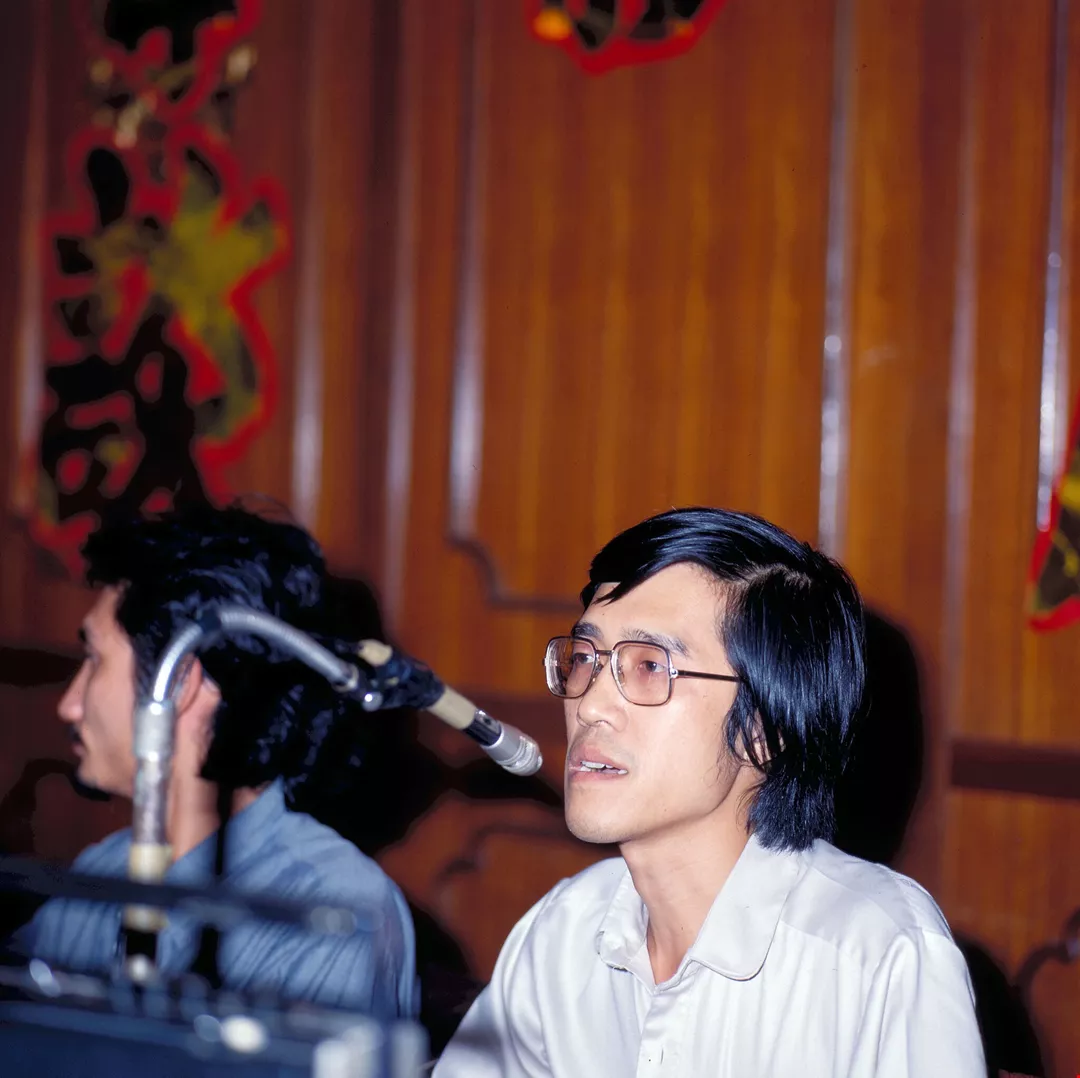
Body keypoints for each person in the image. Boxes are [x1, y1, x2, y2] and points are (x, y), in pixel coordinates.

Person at [434, 507, 986, 1076]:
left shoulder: (879, 954)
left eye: (650, 666)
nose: (591, 705)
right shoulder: (563, 932)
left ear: (764, 730)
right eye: (585, 659)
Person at [11, 503, 417, 1018]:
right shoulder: (102, 870)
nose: (69, 705)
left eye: (94, 660)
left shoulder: (331, 909)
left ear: (178, 683)